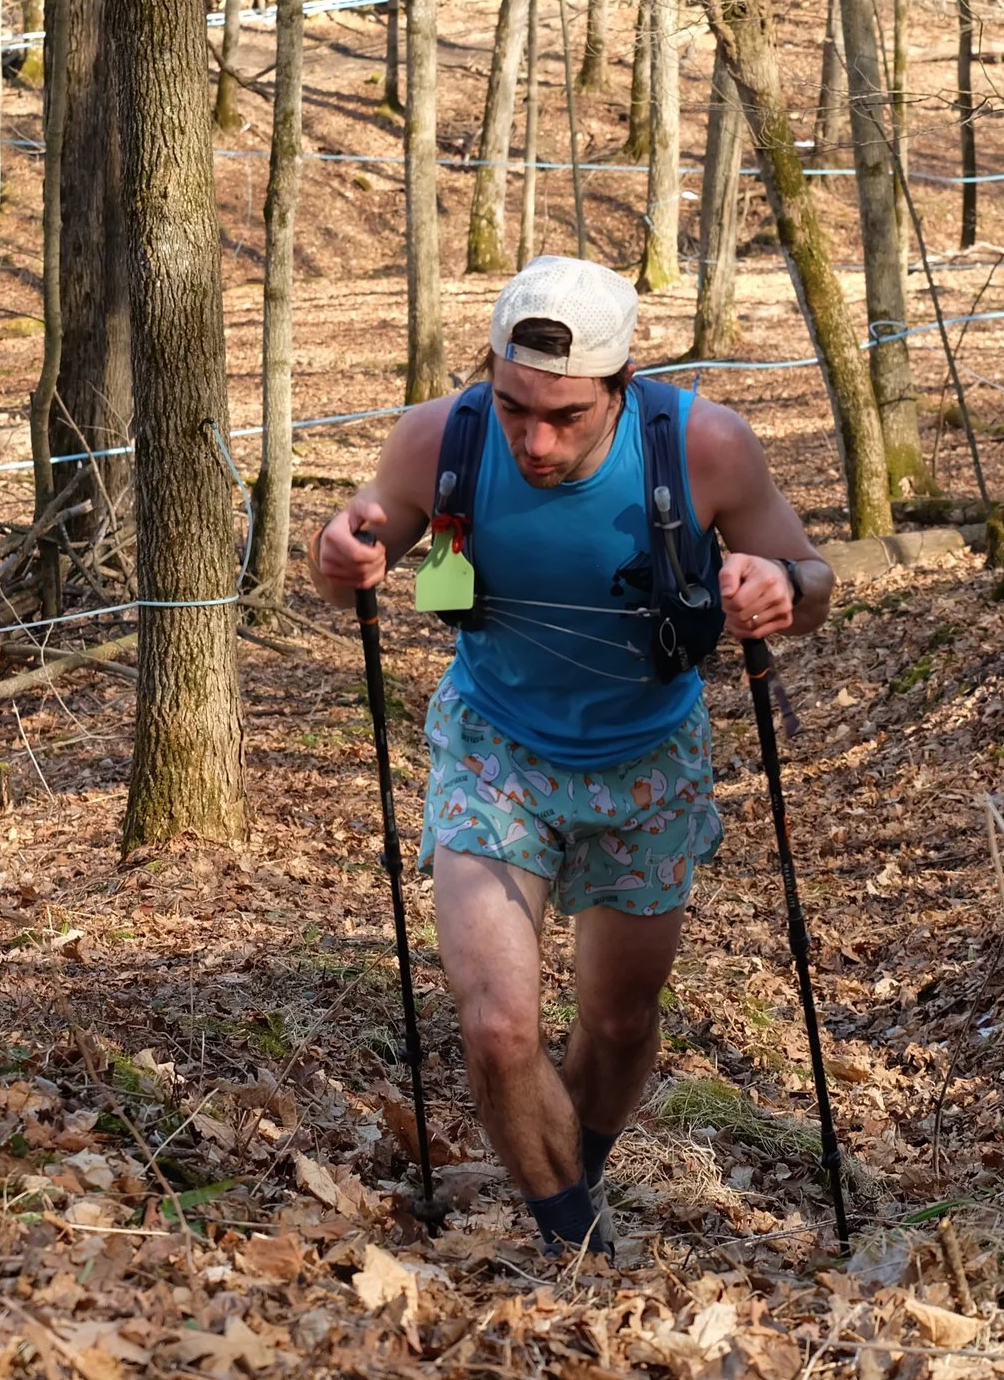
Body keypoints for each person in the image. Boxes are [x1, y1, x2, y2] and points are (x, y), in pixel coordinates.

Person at [309, 256, 834, 1256]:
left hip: (649, 759)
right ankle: (574, 1245)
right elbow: (352, 558)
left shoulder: (704, 445)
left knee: (621, 1021)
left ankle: (574, 1168)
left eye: (566, 415)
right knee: (498, 1025)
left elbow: (812, 581)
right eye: (515, 408)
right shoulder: (441, 437)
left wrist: (781, 585)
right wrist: (339, 553)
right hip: (494, 748)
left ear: (621, 385)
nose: (534, 440)